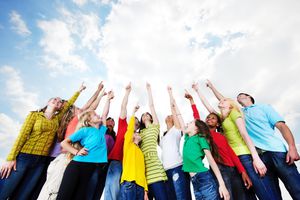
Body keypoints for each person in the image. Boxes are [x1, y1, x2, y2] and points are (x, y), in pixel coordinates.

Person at [0, 83, 85, 200]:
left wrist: (79, 91)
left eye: (60, 101)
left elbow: (69, 104)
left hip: (40, 161)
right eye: (54, 99)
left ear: (60, 107)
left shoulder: (57, 119)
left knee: (24, 195)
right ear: (48, 102)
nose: (57, 101)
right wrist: (11, 158)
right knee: (6, 189)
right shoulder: (34, 115)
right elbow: (22, 136)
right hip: (24, 157)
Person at [200, 80, 279, 199]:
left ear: (230, 105)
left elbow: (244, 134)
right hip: (235, 159)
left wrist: (255, 158)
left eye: (224, 101)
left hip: (244, 155)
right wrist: (201, 90)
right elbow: (209, 108)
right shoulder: (223, 119)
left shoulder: (234, 113)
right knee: (247, 190)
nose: (221, 101)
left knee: (261, 187)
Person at [37, 82, 106, 200]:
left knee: (68, 192)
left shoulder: (82, 124)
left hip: (73, 158)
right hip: (66, 157)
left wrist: (99, 93)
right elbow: (90, 107)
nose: (80, 108)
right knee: (53, 191)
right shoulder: (76, 120)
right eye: (76, 108)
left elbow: (91, 107)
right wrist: (97, 93)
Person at [185, 89, 252, 200]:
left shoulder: (222, 136)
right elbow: (196, 118)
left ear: (218, 123)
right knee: (227, 196)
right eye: (208, 118)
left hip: (233, 169)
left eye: (213, 118)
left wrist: (243, 171)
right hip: (220, 168)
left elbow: (231, 153)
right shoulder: (204, 135)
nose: (209, 119)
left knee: (242, 197)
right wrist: (192, 101)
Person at [169, 86, 230, 200]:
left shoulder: (200, 138)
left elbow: (211, 161)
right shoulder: (187, 137)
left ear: (197, 129)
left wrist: (222, 185)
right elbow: (179, 117)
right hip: (195, 182)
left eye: (191, 122)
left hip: (204, 179)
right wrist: (172, 98)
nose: (187, 123)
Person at [237, 92, 300, 199]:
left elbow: (281, 125)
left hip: (277, 152)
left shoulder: (263, 107)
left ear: (249, 97)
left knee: (296, 188)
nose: (238, 96)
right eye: (237, 97)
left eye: (242, 95)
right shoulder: (239, 113)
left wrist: (292, 147)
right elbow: (224, 101)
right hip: (258, 160)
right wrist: (211, 87)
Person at [56, 91, 114, 200]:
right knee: (64, 196)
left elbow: (105, 114)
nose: (98, 115)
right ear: (89, 121)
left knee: (79, 197)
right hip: (77, 165)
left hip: (90, 168)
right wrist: (76, 152)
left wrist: (108, 100)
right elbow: (64, 143)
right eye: (94, 115)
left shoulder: (101, 131)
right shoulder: (85, 130)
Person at [159, 87, 192, 200]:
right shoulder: (163, 137)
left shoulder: (177, 130)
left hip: (177, 167)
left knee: (182, 197)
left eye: (171, 115)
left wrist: (170, 93)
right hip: (165, 171)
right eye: (167, 115)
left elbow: (173, 108)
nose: (169, 115)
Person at [139, 83, 168, 200]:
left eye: (147, 114)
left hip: (154, 167)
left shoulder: (155, 126)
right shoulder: (140, 132)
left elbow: (151, 106)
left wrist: (149, 90)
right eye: (143, 115)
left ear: (151, 118)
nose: (145, 115)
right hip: (142, 167)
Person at [104, 83, 132, 200]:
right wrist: (127, 92)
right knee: (111, 189)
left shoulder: (136, 135)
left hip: (127, 165)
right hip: (115, 161)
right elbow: (123, 107)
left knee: (121, 192)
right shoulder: (123, 126)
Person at [120, 104, 148, 200]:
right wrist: (133, 112)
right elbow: (130, 129)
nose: (137, 133)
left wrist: (145, 191)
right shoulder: (128, 144)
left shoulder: (141, 152)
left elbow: (143, 172)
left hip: (140, 186)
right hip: (129, 182)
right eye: (135, 132)